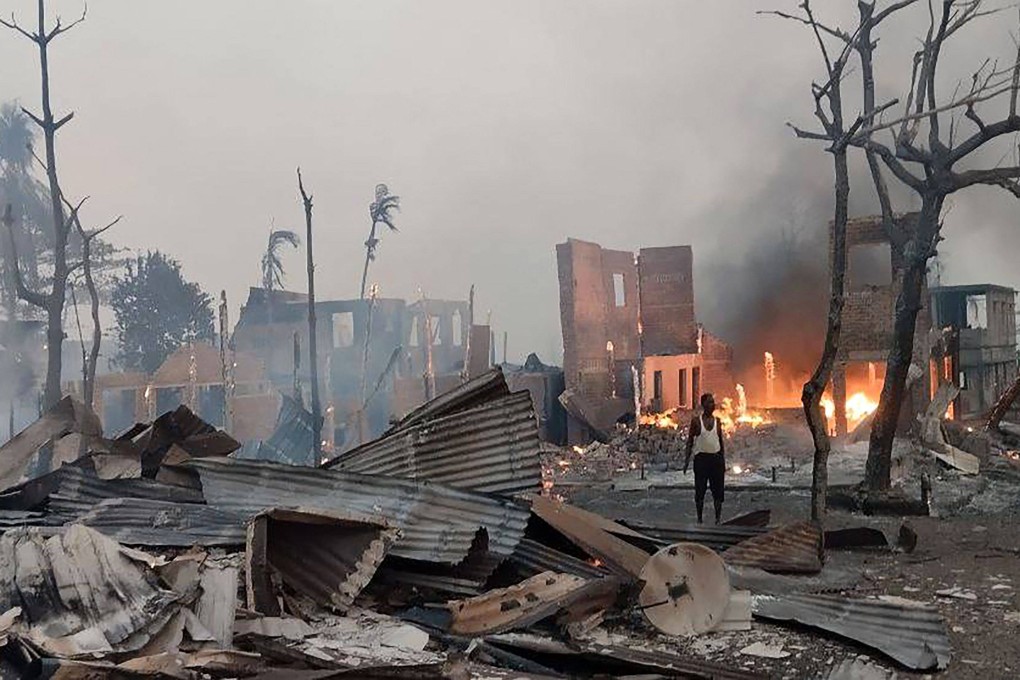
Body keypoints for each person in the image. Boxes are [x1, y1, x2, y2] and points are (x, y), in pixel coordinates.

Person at [683, 393, 725, 524]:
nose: (712, 405)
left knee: (718, 491)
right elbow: (690, 441)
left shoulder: (718, 421)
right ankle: (699, 519)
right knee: (700, 490)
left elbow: (720, 440)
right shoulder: (696, 421)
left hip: (716, 459)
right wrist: (686, 460)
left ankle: (717, 519)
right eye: (709, 402)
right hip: (701, 460)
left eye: (713, 402)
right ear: (703, 405)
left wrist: (723, 460)